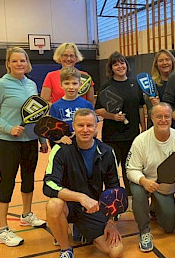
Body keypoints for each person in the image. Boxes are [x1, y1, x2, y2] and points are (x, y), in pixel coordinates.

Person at [0, 47, 48, 247]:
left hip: (30, 141)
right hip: (9, 142)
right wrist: (8, 128)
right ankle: (2, 230)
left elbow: (36, 114)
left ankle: (26, 214)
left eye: (23, 60)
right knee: (7, 182)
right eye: (15, 61)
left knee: (28, 179)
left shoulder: (31, 84)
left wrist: (42, 139)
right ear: (8, 64)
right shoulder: (0, 85)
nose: (20, 64)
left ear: (27, 62)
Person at [43, 108, 123, 258]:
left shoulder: (106, 151)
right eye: (80, 126)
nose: (85, 130)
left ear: (96, 127)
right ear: (73, 126)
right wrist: (80, 197)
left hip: (93, 208)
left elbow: (114, 190)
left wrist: (112, 222)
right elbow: (48, 184)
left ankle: (80, 229)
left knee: (116, 251)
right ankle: (66, 249)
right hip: (69, 205)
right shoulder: (61, 150)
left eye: (89, 125)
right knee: (54, 204)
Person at [126, 102, 175, 252]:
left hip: (164, 187)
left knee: (169, 227)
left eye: (167, 116)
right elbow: (131, 170)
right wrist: (143, 181)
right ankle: (144, 231)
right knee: (137, 193)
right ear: (152, 118)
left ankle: (154, 206)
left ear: (171, 118)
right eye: (159, 116)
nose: (163, 120)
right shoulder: (141, 141)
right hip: (143, 182)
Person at [96, 51, 146, 197]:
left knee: (130, 169)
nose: (120, 66)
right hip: (112, 137)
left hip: (132, 135)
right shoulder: (106, 86)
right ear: (111, 68)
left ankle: (130, 199)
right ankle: (112, 198)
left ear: (126, 65)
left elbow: (141, 107)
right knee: (111, 169)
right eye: (115, 64)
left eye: (122, 62)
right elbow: (98, 109)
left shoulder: (135, 84)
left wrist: (143, 127)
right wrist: (112, 116)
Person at [48, 66, 95, 145]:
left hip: (83, 146)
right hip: (64, 148)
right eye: (66, 83)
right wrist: (60, 139)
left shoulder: (87, 105)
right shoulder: (55, 106)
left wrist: (82, 134)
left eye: (74, 83)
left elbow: (95, 130)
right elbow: (52, 133)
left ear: (80, 85)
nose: (71, 87)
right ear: (61, 85)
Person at [144, 49, 175, 128]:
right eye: (161, 60)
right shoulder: (151, 84)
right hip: (159, 127)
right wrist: (155, 106)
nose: (164, 63)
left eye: (167, 60)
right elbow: (149, 112)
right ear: (156, 64)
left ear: (172, 62)